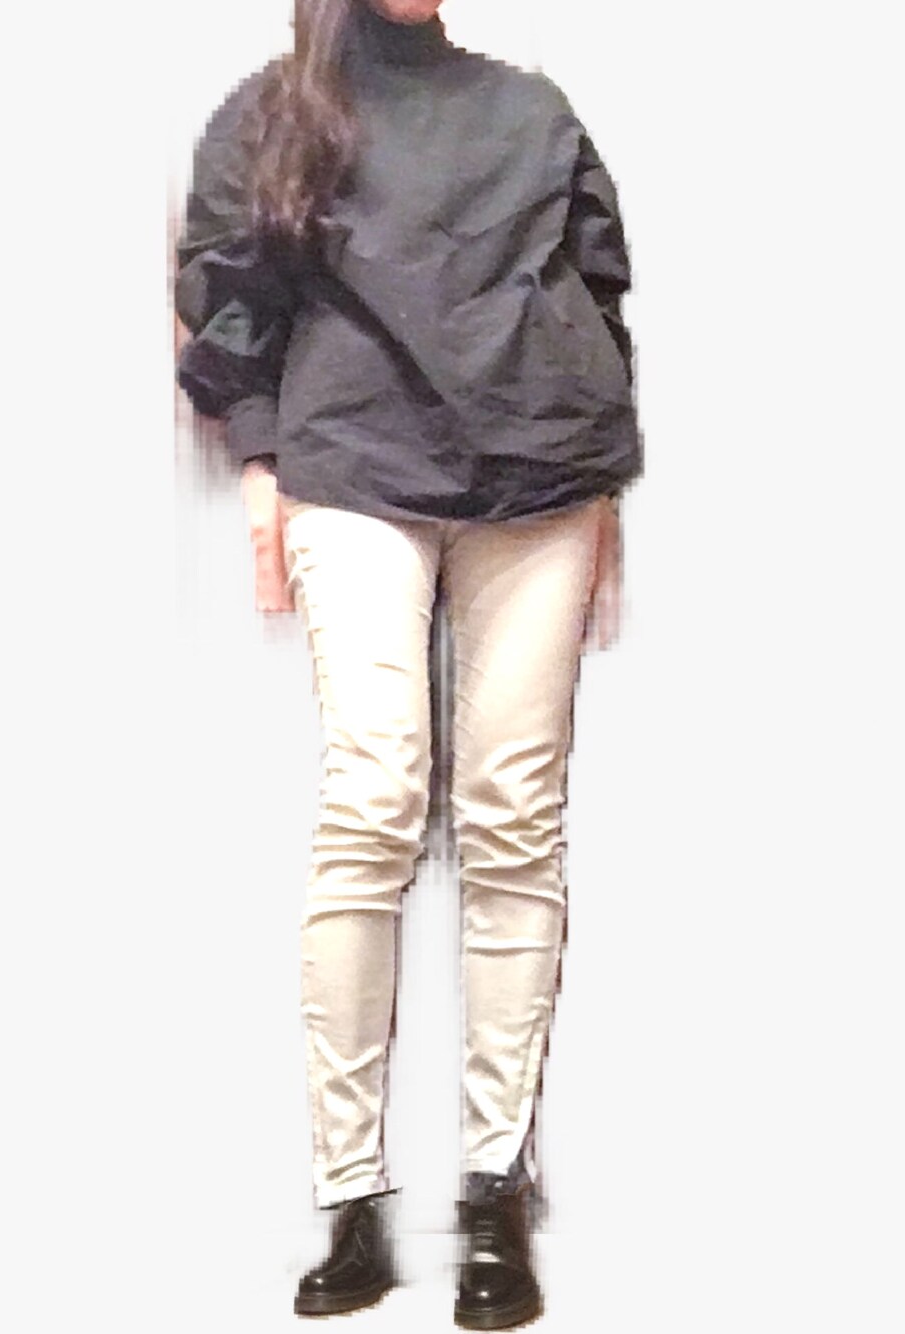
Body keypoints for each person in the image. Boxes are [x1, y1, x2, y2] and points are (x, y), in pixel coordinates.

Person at [174, 0, 642, 1325]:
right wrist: (258, 464)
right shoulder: (276, 111)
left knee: (513, 817)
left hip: (545, 479)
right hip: (355, 468)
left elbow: (598, 291)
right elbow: (224, 292)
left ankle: (494, 1191)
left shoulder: (532, 111)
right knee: (374, 797)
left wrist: (604, 485)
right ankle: (353, 1197)